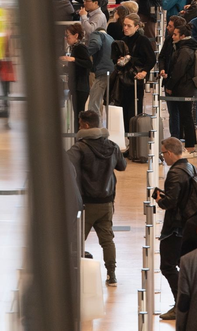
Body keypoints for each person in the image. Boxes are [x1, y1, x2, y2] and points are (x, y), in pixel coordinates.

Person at [66, 110, 127, 287]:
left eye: (79, 124)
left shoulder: (80, 147)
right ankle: (112, 275)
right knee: (107, 240)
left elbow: (66, 163)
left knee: (76, 241)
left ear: (85, 125)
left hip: (86, 205)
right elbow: (122, 166)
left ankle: (73, 275)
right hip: (107, 202)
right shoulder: (113, 146)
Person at [153, 137, 197, 320]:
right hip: (187, 225)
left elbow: (170, 203)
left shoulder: (175, 173)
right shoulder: (190, 167)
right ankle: (188, 302)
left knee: (167, 265)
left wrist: (159, 200)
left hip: (176, 227)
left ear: (170, 153)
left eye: (163, 153)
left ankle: (181, 304)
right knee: (181, 264)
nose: (163, 157)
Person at [165, 24, 197, 157]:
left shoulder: (185, 50)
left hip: (184, 88)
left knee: (187, 118)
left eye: (175, 34)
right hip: (183, 88)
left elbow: (179, 70)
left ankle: (191, 148)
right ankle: (189, 145)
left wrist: (169, 85)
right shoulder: (185, 47)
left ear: (183, 36)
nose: (172, 36)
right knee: (186, 117)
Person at [120, 13, 156, 135]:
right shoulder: (123, 40)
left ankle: (136, 139)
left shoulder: (143, 40)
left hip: (136, 80)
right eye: (124, 25)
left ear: (136, 27)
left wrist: (144, 72)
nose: (125, 28)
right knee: (124, 110)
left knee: (134, 109)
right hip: (124, 79)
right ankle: (129, 138)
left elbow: (151, 59)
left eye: (129, 26)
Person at [160, 15, 187, 141]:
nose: (167, 28)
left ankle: (182, 135)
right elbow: (162, 57)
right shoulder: (168, 41)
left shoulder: (185, 47)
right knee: (172, 112)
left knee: (182, 111)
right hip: (167, 80)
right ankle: (174, 136)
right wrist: (162, 68)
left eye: (170, 26)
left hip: (181, 84)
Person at [61, 23, 92, 132]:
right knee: (77, 114)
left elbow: (88, 64)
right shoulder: (73, 48)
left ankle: (79, 137)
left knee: (79, 115)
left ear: (76, 35)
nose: (66, 39)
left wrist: (73, 60)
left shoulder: (80, 48)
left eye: (68, 36)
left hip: (81, 87)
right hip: (76, 86)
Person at [86, 22, 114, 116]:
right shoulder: (111, 38)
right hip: (111, 72)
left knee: (93, 104)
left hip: (103, 72)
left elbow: (96, 44)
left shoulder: (96, 34)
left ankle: (94, 129)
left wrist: (85, 55)